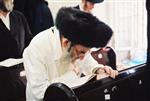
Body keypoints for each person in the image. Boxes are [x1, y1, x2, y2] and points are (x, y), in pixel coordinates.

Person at [23, 7, 118, 101]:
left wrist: (99, 69)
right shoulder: (37, 48)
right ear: (66, 42)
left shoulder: (77, 44)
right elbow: (40, 93)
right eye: (81, 52)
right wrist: (71, 75)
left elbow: (88, 62)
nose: (82, 58)